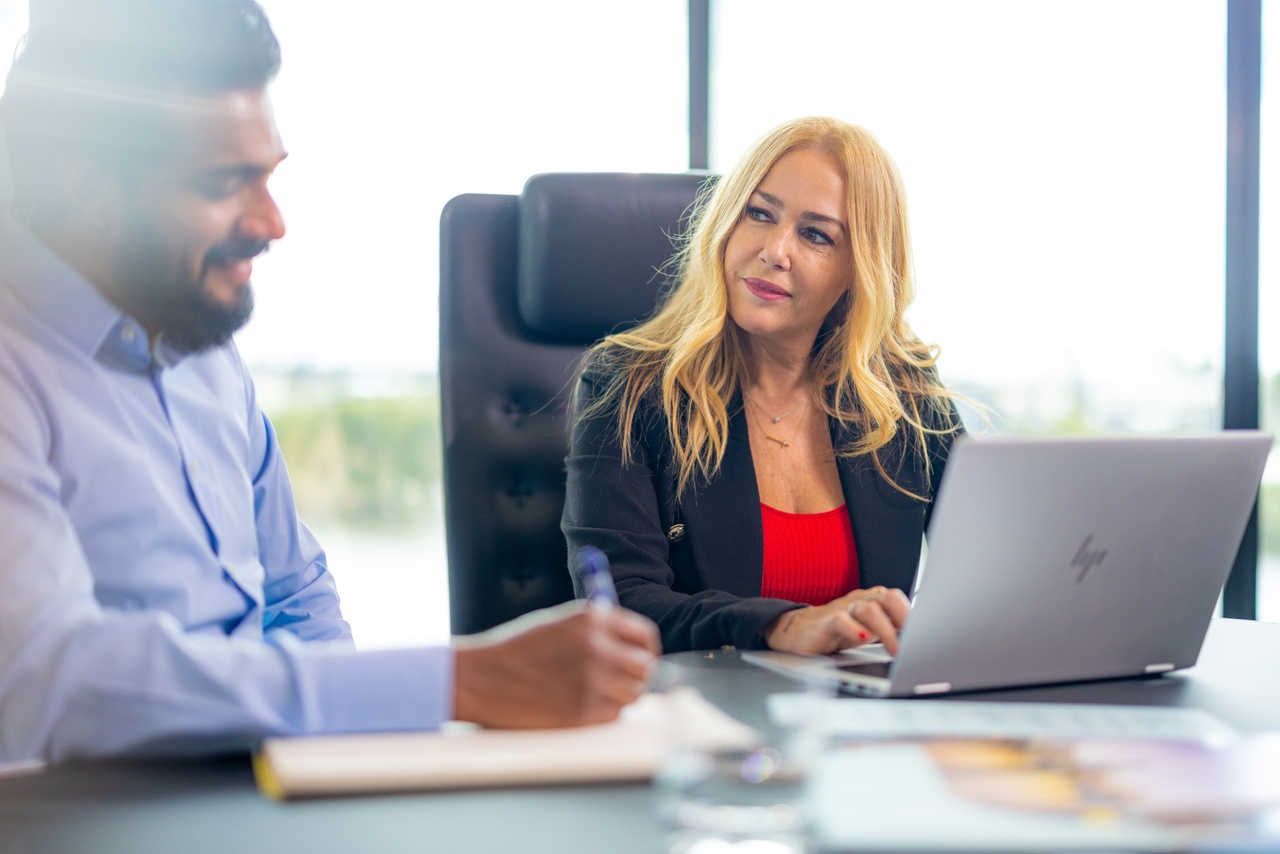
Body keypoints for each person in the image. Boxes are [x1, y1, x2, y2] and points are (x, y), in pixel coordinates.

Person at [0, 0, 659, 763]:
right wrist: (459, 683)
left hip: (255, 792)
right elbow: (50, 681)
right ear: (86, 193)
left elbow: (294, 593)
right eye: (225, 183)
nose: (272, 222)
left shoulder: (191, 333)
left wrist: (346, 773)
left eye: (270, 175)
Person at [563, 117, 963, 656]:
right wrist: (783, 625)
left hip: (860, 720)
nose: (776, 249)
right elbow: (620, 604)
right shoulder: (629, 386)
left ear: (859, 270)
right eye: (759, 213)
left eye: (817, 235)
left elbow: (1002, 569)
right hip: (699, 714)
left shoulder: (905, 396)